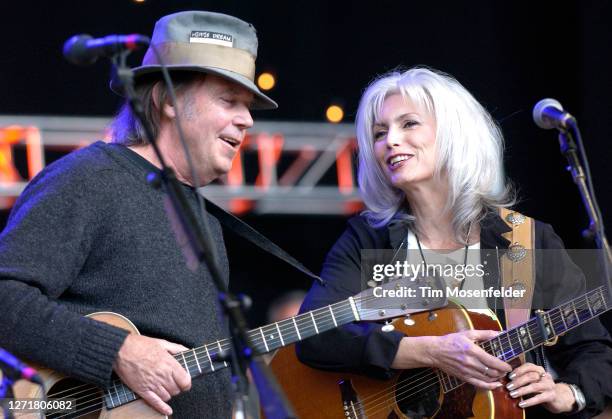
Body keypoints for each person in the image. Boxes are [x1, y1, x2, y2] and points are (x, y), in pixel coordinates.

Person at [0, 11, 277, 418]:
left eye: (248, 106)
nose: (247, 119)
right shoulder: (89, 179)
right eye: (229, 100)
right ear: (167, 99)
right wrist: (119, 350)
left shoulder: (207, 222)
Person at [297, 67, 612, 418]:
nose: (391, 141)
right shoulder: (367, 239)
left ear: (454, 132)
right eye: (379, 133)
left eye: (409, 124)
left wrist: (568, 392)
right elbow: (315, 334)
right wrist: (430, 350)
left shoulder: (528, 240)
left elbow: (593, 349)